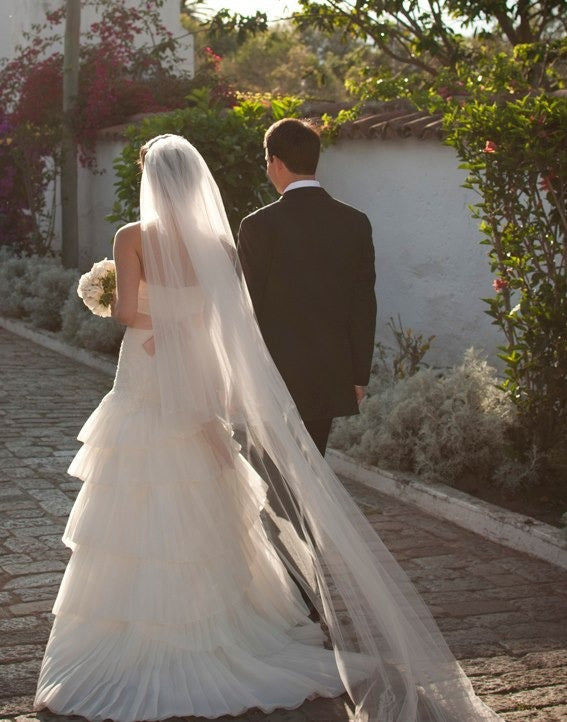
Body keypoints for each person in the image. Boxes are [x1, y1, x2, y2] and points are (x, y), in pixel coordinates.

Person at [34, 134, 500, 722]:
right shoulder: (218, 244)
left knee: (136, 480)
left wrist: (130, 303)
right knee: (209, 475)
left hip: (147, 370)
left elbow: (127, 313)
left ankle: (140, 621)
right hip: (199, 366)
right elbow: (230, 318)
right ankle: (232, 617)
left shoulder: (132, 237)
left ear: (150, 179)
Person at [237, 118, 376, 456]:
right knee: (312, 467)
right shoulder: (355, 222)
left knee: (269, 471)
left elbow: (246, 304)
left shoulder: (258, 225)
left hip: (271, 375)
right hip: (328, 372)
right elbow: (363, 304)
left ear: (275, 162)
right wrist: (358, 374)